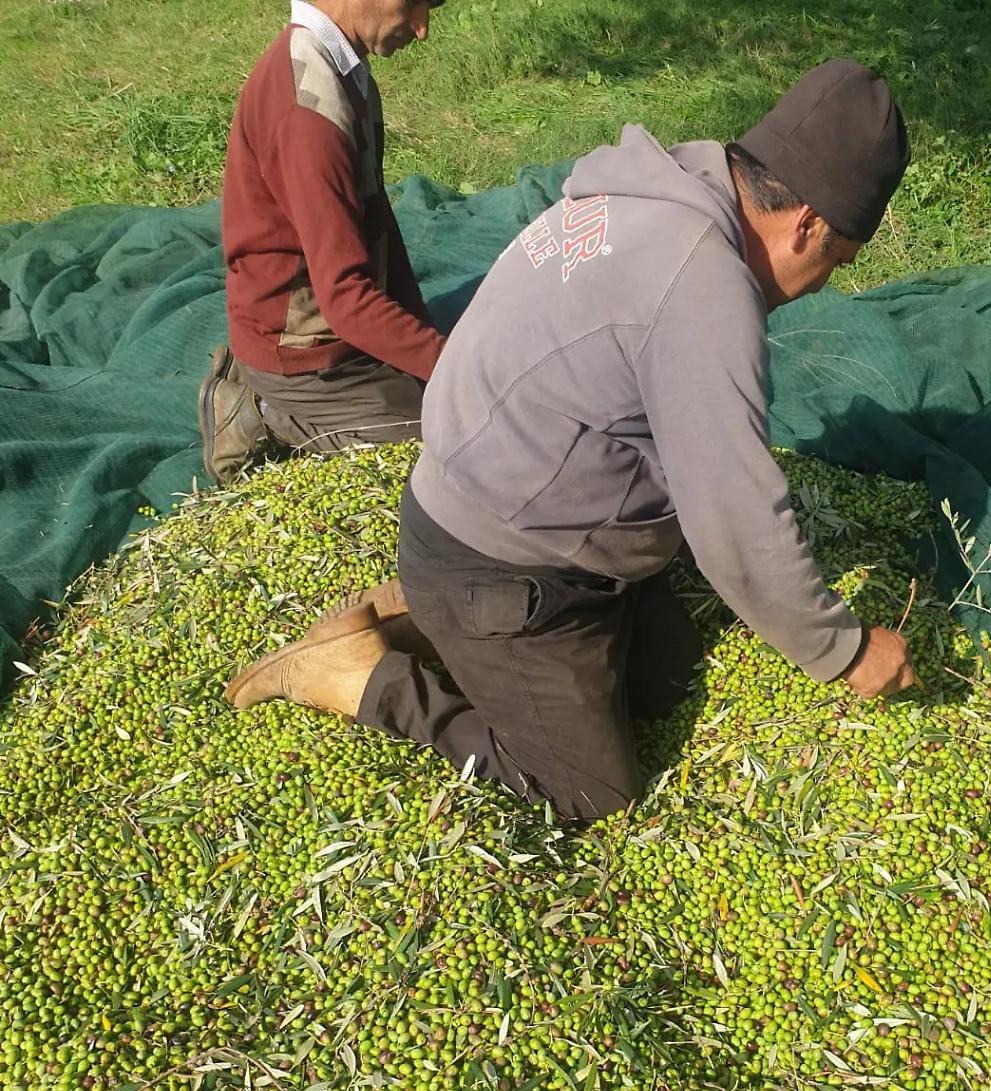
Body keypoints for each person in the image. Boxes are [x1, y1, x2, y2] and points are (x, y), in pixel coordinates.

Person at [225, 58, 917, 819]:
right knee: (591, 792)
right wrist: (843, 649)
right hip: (504, 559)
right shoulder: (703, 287)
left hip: (521, 515)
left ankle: (427, 618)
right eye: (834, 264)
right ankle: (365, 678)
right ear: (810, 223)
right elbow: (734, 517)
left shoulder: (658, 189)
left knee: (668, 687)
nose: (820, 286)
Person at [198, 0, 447, 485]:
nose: (422, 28)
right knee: (444, 442)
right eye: (414, 3)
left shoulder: (348, 72)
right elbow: (346, 299)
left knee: (454, 396)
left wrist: (433, 350)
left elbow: (381, 228)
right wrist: (456, 371)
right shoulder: (307, 108)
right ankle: (261, 410)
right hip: (303, 356)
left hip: (344, 329)